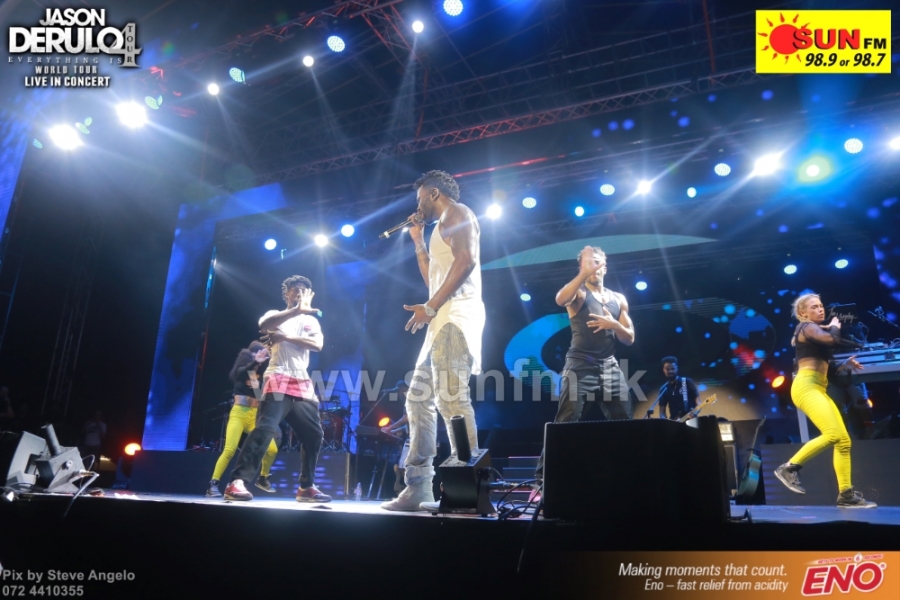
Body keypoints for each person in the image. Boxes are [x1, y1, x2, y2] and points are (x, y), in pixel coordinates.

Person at [380, 170, 485, 512]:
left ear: (433, 193)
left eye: (420, 198)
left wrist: (430, 307)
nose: (418, 204)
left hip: (456, 316)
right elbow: (433, 280)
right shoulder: (439, 225)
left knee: (451, 398)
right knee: (417, 400)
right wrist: (418, 240)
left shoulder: (458, 212)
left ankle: (467, 487)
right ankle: (418, 487)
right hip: (440, 318)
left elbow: (466, 261)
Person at [533, 245, 635, 486]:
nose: (593, 266)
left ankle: (629, 477)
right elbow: (560, 299)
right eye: (587, 262)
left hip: (609, 367)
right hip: (579, 366)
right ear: (581, 267)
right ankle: (542, 480)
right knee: (567, 420)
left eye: (596, 261)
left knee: (625, 423)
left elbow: (629, 338)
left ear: (604, 266)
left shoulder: (619, 299)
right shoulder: (578, 294)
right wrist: (582, 273)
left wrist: (615, 325)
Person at [223, 276, 331, 503]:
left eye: (304, 290)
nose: (299, 293)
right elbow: (265, 325)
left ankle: (306, 487)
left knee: (314, 434)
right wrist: (295, 312)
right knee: (266, 428)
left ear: (310, 294)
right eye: (295, 289)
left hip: (302, 381)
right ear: (287, 293)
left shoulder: (312, 321)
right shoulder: (275, 315)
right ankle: (237, 482)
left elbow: (317, 345)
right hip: (278, 375)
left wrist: (286, 336)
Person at [774, 292, 876, 508]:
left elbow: (827, 371)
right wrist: (835, 326)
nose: (820, 309)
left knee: (843, 441)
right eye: (814, 307)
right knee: (832, 434)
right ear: (803, 313)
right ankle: (789, 467)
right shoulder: (805, 327)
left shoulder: (815, 333)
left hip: (817, 387)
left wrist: (845, 365)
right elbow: (833, 339)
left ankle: (846, 495)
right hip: (806, 387)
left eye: (821, 306)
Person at [206, 341, 279, 497]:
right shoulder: (242, 371)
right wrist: (254, 363)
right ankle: (213, 484)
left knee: (272, 449)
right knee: (230, 449)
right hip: (239, 414)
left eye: (262, 358)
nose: (260, 360)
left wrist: (258, 385)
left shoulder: (259, 376)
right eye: (257, 357)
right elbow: (243, 371)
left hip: (255, 417)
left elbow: (260, 397)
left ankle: (263, 478)